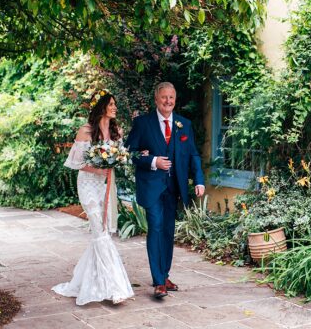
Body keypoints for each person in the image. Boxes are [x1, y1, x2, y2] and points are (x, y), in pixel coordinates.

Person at [52, 90, 134, 305]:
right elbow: (76, 163)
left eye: (115, 104)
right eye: (111, 104)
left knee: (104, 231)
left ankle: (89, 281)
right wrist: (99, 170)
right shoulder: (86, 131)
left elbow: (120, 157)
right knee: (99, 230)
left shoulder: (117, 131)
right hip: (88, 185)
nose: (115, 107)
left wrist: (114, 163)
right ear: (101, 107)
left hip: (106, 185)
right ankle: (116, 288)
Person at [126, 82, 205, 299]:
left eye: (171, 97)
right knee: (157, 228)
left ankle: (165, 275)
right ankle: (158, 281)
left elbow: (193, 155)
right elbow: (129, 153)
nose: (168, 101)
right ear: (156, 99)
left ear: (175, 99)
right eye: (164, 97)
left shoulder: (184, 124)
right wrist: (153, 161)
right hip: (151, 187)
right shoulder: (142, 123)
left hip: (174, 188)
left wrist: (198, 180)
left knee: (169, 233)